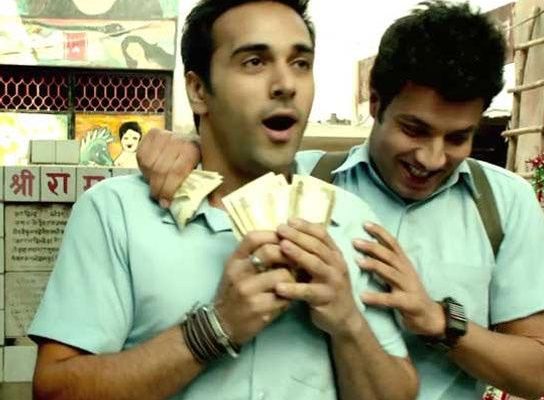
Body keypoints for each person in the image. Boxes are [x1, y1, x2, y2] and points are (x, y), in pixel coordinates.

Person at [137, 2, 544, 399]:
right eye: (414, 130)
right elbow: (231, 154)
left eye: (457, 138)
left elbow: (538, 373)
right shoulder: (301, 182)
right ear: (374, 102)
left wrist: (437, 321)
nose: (432, 158)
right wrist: (186, 147)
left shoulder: (503, 204)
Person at [28, 1, 418, 399]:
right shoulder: (116, 213)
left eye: (300, 63)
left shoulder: (352, 220)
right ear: (198, 90)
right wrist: (213, 329)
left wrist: (348, 323)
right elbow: (54, 391)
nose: (286, 84)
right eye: (254, 62)